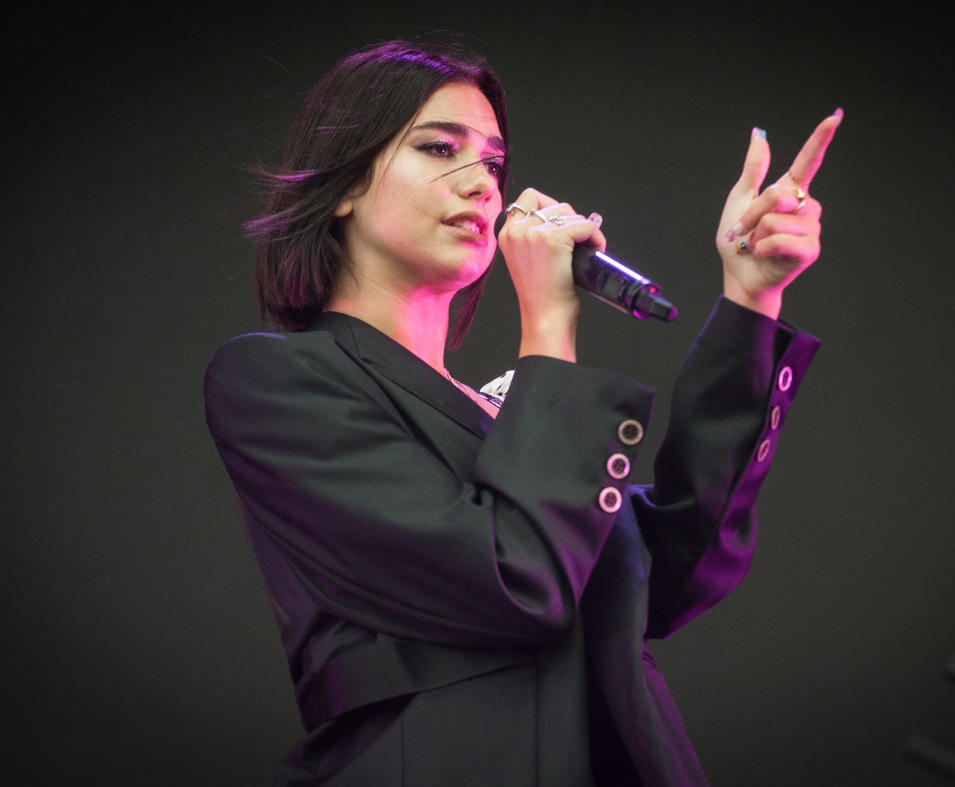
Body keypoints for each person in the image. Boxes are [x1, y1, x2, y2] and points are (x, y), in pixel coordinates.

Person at [204, 38, 841, 786]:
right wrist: (548, 328)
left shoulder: (510, 412)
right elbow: (518, 581)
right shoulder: (276, 380)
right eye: (440, 147)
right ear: (345, 183)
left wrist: (751, 295)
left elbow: (676, 569)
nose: (483, 185)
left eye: (495, 163)